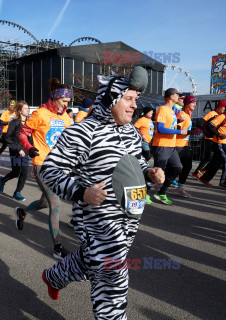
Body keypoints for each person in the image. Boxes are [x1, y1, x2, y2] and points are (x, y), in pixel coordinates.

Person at [40, 67, 165, 319]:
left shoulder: (130, 132)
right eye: (128, 99)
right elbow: (49, 170)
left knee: (92, 261)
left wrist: (149, 174)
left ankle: (54, 276)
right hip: (98, 220)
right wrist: (81, 192)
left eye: (135, 101)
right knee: (112, 274)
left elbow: (135, 165)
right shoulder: (82, 132)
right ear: (110, 100)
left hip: (130, 216)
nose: (134, 106)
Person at [16, 78, 73, 259]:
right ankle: (57, 248)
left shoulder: (65, 116)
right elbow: (23, 132)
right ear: (55, 98)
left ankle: (22, 212)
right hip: (42, 165)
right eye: (64, 101)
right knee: (55, 205)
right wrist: (30, 148)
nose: (66, 105)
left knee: (43, 203)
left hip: (60, 165)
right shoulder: (40, 114)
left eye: (68, 102)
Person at [151, 88, 188, 205]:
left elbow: (170, 127)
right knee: (156, 173)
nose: (179, 97)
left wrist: (179, 124)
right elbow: (160, 129)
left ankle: (161, 193)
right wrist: (179, 132)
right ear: (171, 96)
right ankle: (143, 193)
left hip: (171, 147)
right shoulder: (162, 109)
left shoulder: (172, 111)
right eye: (178, 95)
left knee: (177, 168)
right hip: (162, 145)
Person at [0, 101, 30, 201]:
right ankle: (2, 180)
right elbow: (8, 138)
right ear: (20, 111)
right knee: (16, 172)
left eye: (28, 108)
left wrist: (32, 149)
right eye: (25, 108)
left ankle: (17, 192)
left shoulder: (29, 123)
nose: (28, 110)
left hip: (25, 151)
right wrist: (18, 149)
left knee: (24, 172)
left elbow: (30, 139)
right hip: (15, 150)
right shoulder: (15, 122)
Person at [199, 102, 226, 189]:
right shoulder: (222, 116)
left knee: (216, 162)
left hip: (225, 143)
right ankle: (224, 182)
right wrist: (219, 134)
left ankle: (205, 178)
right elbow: (210, 126)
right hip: (220, 143)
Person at [192, 100, 226, 178]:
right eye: (224, 107)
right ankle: (199, 172)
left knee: (210, 157)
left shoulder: (221, 115)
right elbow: (200, 122)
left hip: (214, 139)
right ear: (220, 107)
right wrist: (206, 132)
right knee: (209, 157)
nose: (224, 109)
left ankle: (198, 172)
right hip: (208, 138)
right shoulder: (211, 113)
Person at [172, 95, 196, 197]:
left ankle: (180, 188)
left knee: (187, 166)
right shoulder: (181, 114)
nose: (195, 104)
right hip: (177, 145)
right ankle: (155, 184)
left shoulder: (188, 115)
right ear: (187, 103)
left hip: (184, 145)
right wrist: (191, 131)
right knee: (173, 168)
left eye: (195, 102)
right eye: (193, 102)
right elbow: (176, 131)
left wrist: (191, 132)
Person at [134, 106, 155, 204]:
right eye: (150, 112)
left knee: (147, 156)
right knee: (147, 155)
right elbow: (134, 128)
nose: (152, 113)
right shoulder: (142, 119)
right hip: (143, 142)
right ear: (146, 112)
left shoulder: (150, 120)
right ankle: (140, 169)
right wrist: (141, 135)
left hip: (149, 142)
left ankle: (139, 167)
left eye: (152, 112)